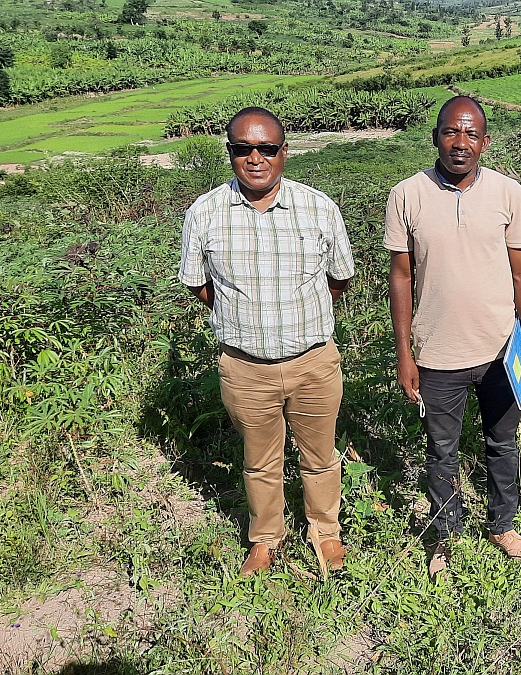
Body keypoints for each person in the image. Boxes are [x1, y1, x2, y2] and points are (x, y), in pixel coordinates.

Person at [178, 106, 355, 578]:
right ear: (230, 153)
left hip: (313, 362)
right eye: (243, 148)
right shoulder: (205, 213)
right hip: (244, 368)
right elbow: (199, 285)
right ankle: (265, 539)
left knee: (320, 455)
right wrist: (243, 318)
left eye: (266, 148)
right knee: (259, 463)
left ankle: (325, 531)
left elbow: (338, 279)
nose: (255, 158)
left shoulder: (319, 208)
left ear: (284, 152)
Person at [386, 96, 521, 578]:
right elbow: (399, 277)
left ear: (485, 142)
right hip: (437, 353)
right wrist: (404, 353)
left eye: (471, 134)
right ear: (435, 136)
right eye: (452, 132)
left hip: (500, 350)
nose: (461, 143)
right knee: (441, 448)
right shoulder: (407, 195)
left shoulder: (507, 194)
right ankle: (445, 534)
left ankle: (502, 523)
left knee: (502, 441)